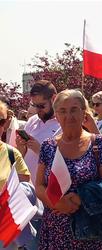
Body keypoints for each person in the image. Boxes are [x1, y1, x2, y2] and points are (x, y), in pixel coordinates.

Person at [35, 89, 102, 249]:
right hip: (55, 229)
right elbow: (39, 185)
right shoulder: (48, 146)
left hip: (90, 229)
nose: (68, 116)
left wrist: (80, 199)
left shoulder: (99, 143)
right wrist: (56, 203)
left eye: (74, 110)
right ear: (56, 115)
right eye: (63, 111)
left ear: (84, 112)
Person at [0, 100, 33, 250]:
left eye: (0, 121)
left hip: (6, 229)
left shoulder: (12, 153)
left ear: (6, 123)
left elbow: (26, 188)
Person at [16, 80, 60, 184]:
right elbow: (23, 155)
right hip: (28, 188)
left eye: (41, 106)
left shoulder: (63, 124)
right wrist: (21, 148)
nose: (37, 110)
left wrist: (40, 150)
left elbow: (67, 162)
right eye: (35, 105)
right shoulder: (32, 121)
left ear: (54, 99)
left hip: (48, 191)